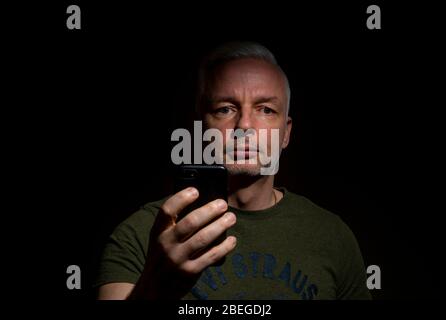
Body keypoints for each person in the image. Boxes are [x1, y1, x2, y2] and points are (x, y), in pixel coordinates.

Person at [95, 42, 372, 300]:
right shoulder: (142, 233)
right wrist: (155, 290)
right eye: (225, 109)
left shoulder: (332, 236)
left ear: (286, 134)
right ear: (200, 127)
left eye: (266, 109)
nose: (245, 126)